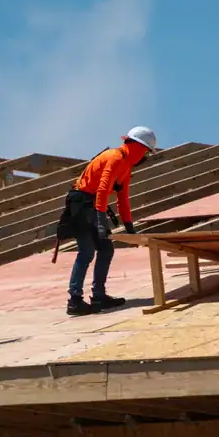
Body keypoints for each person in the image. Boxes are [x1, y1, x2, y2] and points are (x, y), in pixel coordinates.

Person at [57, 126, 158, 316]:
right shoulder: (115, 157)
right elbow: (103, 190)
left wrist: (129, 227)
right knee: (86, 251)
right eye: (145, 152)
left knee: (105, 249)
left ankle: (98, 295)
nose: (145, 157)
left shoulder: (126, 166)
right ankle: (75, 300)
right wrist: (101, 221)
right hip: (82, 203)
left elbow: (123, 198)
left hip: (92, 206)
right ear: (137, 146)